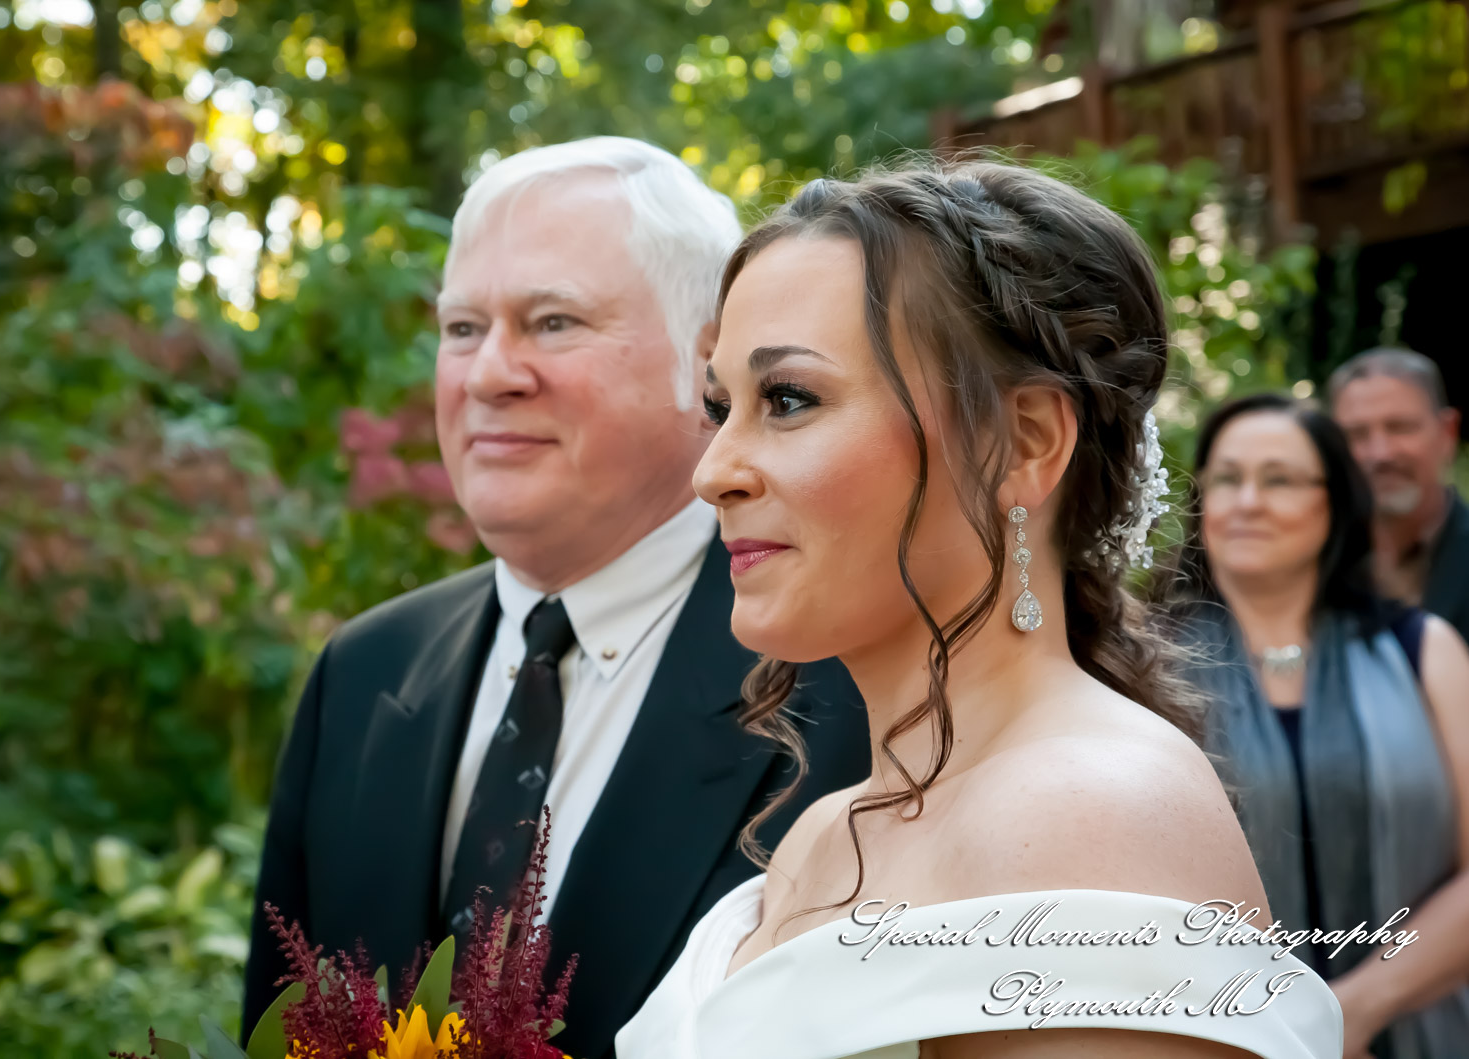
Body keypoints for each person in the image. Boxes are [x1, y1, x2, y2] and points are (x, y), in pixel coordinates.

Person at [617, 163, 1341, 1059]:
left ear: (1026, 442)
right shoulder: (817, 834)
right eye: (721, 407)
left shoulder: (1088, 809)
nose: (713, 471)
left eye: (789, 399)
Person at [240, 137, 870, 1059]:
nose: (490, 373)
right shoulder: (362, 673)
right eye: (462, 328)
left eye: (552, 322)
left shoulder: (847, 692)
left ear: (707, 365)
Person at [1175, 392, 1469, 1058]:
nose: (1247, 500)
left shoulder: (1424, 652)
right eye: (1226, 478)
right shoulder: (1143, 664)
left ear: (1333, 500)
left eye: (1278, 479)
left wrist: (1351, 1011)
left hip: (1417, 1033)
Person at [1329, 348, 1469, 644]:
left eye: (1400, 428)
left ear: (1448, 432)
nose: (1381, 454)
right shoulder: (1316, 562)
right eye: (1357, 434)